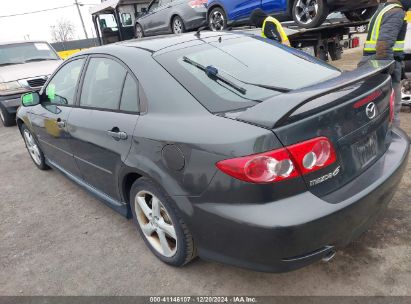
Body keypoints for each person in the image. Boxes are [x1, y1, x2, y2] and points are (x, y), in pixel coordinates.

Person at [361, 0, 410, 127]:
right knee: (391, 110)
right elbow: (383, 45)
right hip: (382, 66)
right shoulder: (396, 12)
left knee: (378, 110)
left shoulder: (384, 8)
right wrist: (388, 70)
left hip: (374, 64)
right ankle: (392, 141)